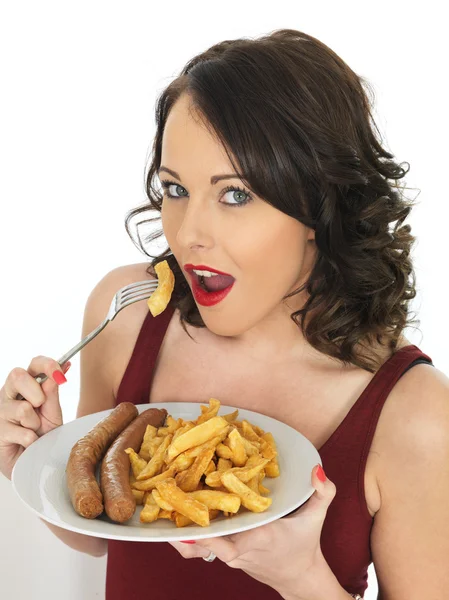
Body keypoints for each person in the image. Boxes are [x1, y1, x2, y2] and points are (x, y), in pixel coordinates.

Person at [0, 28, 448, 600]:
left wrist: (302, 579)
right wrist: (34, 461)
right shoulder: (129, 319)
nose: (187, 236)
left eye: (235, 194)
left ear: (320, 202)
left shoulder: (416, 415)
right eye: (175, 188)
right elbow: (102, 534)